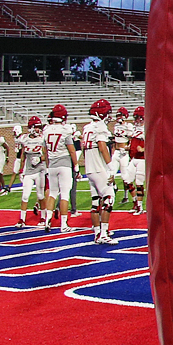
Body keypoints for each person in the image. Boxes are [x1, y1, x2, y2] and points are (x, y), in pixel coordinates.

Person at [82, 99, 118, 244]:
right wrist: (110, 167)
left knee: (96, 201)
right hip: (98, 168)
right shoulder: (99, 127)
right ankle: (103, 233)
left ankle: (97, 232)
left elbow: (85, 149)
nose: (109, 115)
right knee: (109, 198)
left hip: (90, 168)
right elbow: (102, 147)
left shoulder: (86, 128)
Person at [41, 104, 77, 232]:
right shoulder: (65, 130)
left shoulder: (46, 130)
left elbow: (44, 151)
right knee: (65, 194)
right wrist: (76, 166)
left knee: (52, 193)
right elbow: (72, 151)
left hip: (51, 165)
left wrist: (47, 166)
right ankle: (63, 224)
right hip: (64, 164)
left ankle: (47, 220)